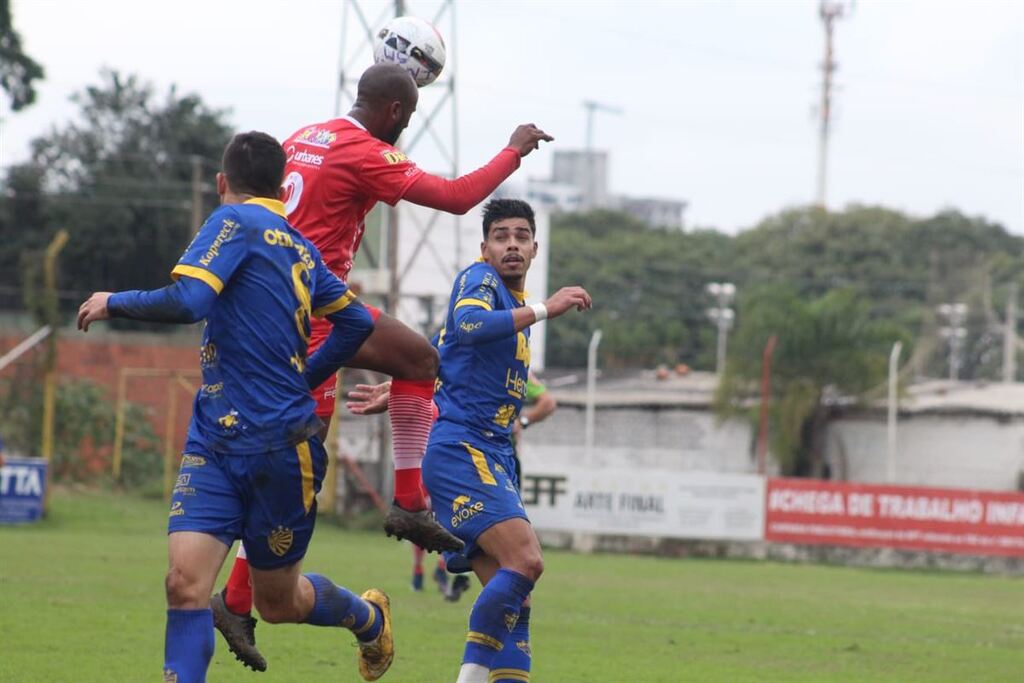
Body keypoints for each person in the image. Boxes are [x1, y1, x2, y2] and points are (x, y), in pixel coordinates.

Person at [213, 62, 553, 669]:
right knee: (287, 470)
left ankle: (406, 503)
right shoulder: (363, 150)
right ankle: (241, 599)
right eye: (411, 116)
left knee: (417, 359)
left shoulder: (304, 138)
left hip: (290, 310)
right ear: (395, 112)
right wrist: (513, 151)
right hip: (311, 316)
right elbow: (453, 197)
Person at [77, 132, 394, 682]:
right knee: (185, 585)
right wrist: (307, 377)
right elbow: (355, 323)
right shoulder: (299, 244)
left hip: (279, 450)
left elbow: (189, 299)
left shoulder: (235, 222)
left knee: (279, 603)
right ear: (282, 187)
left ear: (223, 183)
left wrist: (114, 301)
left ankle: (367, 618)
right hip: (216, 442)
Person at [422, 198, 591, 683]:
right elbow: (469, 327)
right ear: (485, 247)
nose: (511, 243)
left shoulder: (512, 305)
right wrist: (547, 307)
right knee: (527, 560)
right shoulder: (481, 281)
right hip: (462, 450)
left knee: (518, 603)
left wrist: (397, 392)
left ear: (535, 248)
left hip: (491, 453)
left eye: (521, 235)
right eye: (501, 236)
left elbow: (444, 355)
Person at [346, 370, 557, 602]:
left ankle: (455, 566)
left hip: (501, 460)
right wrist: (408, 385)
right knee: (445, 521)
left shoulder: (518, 373)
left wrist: (522, 421)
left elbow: (548, 402)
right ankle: (444, 566)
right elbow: (430, 371)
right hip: (455, 453)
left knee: (514, 559)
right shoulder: (462, 361)